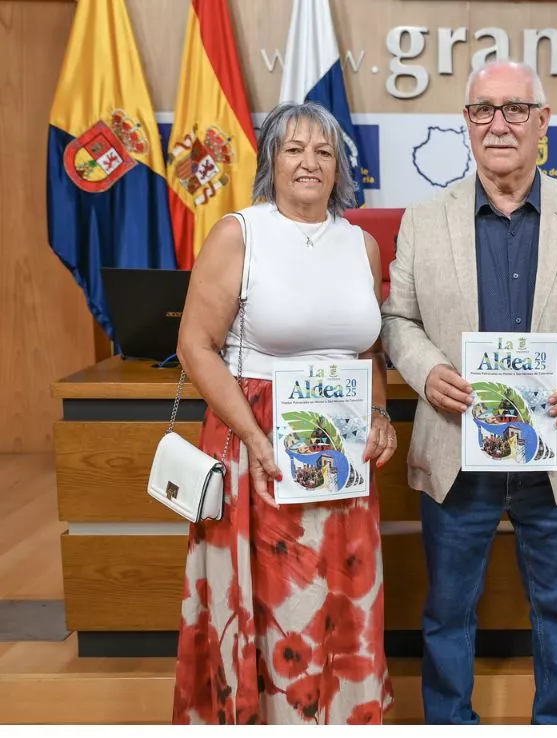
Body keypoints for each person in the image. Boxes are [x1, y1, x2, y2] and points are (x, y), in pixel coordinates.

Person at [379, 59, 557, 725]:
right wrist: (426, 368)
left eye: (515, 109)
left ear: (542, 122)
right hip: (455, 448)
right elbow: (397, 319)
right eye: (482, 110)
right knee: (447, 609)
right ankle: (450, 721)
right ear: (465, 124)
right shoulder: (423, 219)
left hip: (555, 449)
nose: (498, 124)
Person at [172, 101, 397, 724]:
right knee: (278, 605)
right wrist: (254, 435)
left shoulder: (362, 244)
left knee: (338, 599)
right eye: (294, 148)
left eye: (324, 152)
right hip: (257, 446)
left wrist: (380, 415)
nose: (309, 162)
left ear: (338, 169)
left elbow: (368, 350)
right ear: (271, 158)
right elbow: (195, 345)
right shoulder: (239, 232)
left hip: (341, 455)